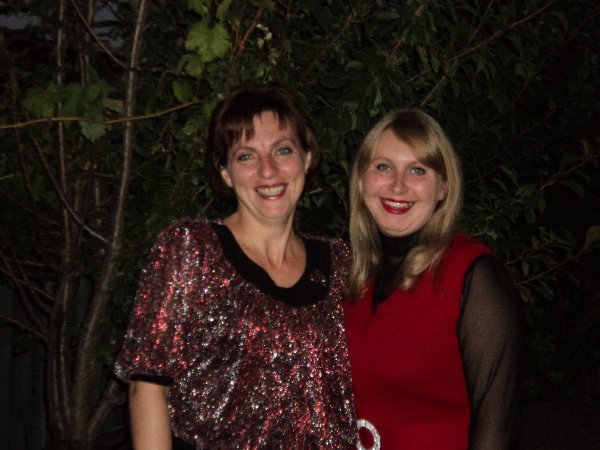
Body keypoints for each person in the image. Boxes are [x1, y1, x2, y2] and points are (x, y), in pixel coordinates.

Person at [114, 85, 357, 449]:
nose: (268, 170)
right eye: (246, 156)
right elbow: (147, 386)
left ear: (306, 158)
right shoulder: (191, 249)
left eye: (283, 150)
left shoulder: (340, 264)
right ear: (225, 172)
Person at [343, 109, 522, 449]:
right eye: (383, 167)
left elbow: (496, 427)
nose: (398, 185)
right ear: (362, 180)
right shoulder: (351, 277)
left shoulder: (472, 277)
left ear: (443, 187)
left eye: (418, 170)